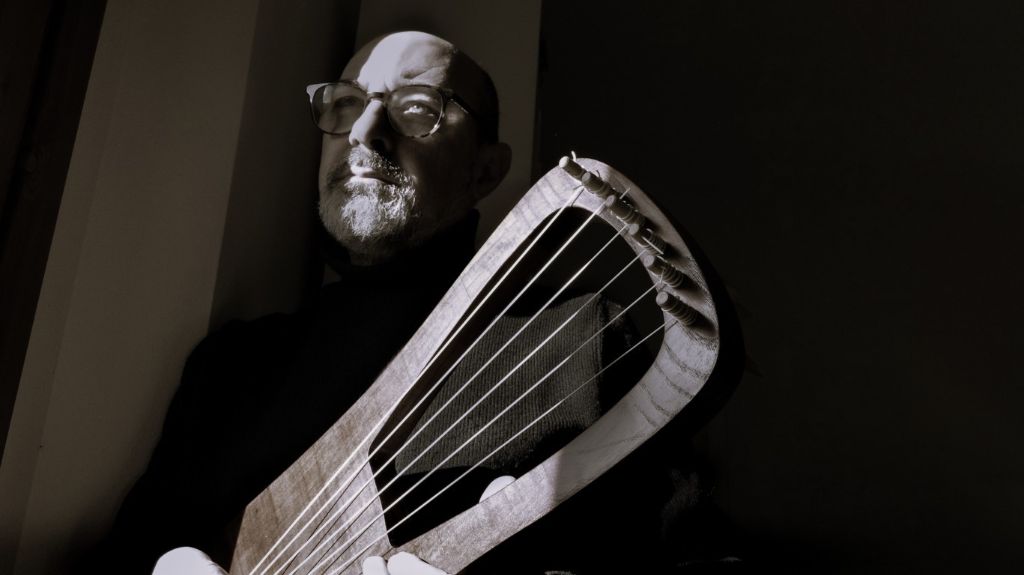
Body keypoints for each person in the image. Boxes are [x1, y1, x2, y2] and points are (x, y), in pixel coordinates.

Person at [88, 31, 730, 575]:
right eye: (344, 105)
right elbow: (125, 552)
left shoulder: (580, 341)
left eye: (417, 109)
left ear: (485, 170)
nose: (364, 132)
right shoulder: (234, 365)